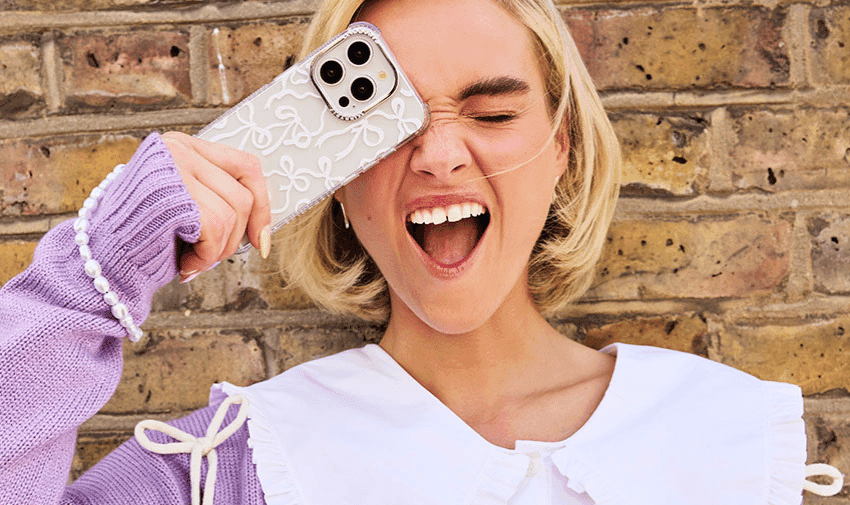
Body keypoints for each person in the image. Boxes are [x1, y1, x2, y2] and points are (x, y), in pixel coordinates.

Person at [0, 0, 842, 503]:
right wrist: (93, 273)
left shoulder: (726, 432)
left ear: (567, 150)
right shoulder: (222, 467)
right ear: (336, 181)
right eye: (385, 122)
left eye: (492, 112)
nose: (439, 155)